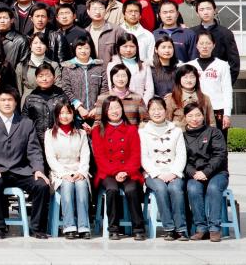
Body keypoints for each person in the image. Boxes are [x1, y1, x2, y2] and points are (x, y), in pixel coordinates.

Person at [0, 90, 51, 239]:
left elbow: (34, 150)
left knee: (42, 185)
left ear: (16, 102)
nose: (7, 103)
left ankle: (37, 228)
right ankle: (0, 227)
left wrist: (38, 169)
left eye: (10, 100)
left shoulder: (26, 123)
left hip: (21, 170)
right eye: (3, 100)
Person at [90, 95, 146, 240]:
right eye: (110, 109)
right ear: (105, 111)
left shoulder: (131, 129)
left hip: (129, 171)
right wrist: (115, 172)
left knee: (131, 189)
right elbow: (100, 158)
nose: (114, 111)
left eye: (117, 107)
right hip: (107, 172)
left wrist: (125, 171)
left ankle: (139, 228)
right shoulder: (97, 131)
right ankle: (113, 228)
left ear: (122, 109)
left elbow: (136, 155)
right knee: (112, 189)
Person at [139, 98, 188, 241]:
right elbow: (144, 157)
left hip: (174, 172)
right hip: (153, 174)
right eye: (153, 109)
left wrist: (174, 172)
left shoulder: (176, 131)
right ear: (148, 112)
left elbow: (181, 155)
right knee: (160, 189)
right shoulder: (143, 132)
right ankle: (169, 228)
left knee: (175, 189)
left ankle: (181, 229)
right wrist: (157, 174)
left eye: (159, 109)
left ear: (165, 111)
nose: (157, 112)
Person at [182, 103, 229, 242]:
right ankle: (201, 228)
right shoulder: (182, 136)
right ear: (185, 117)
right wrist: (193, 173)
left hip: (217, 173)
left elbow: (220, 155)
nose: (194, 119)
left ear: (203, 116)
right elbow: (182, 159)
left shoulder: (214, 132)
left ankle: (214, 228)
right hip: (195, 174)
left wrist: (206, 172)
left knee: (213, 188)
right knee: (192, 188)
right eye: (190, 115)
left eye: (198, 115)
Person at [44, 101, 91, 239]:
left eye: (68, 112)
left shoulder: (81, 133)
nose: (65, 116)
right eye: (61, 113)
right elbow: (50, 158)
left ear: (73, 114)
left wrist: (81, 172)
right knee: (67, 185)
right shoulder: (49, 134)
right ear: (57, 115)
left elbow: (85, 155)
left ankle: (83, 226)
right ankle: (69, 226)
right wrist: (64, 174)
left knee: (81, 185)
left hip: (78, 170)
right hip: (59, 173)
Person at [186, 32, 233, 134]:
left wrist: (227, 114)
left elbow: (227, 90)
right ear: (196, 45)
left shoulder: (222, 65)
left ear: (214, 45)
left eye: (208, 43)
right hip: (195, 110)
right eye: (201, 43)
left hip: (217, 108)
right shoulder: (190, 66)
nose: (204, 46)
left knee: (218, 140)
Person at [59, 37, 107, 127]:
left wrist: (98, 107)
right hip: (75, 115)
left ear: (91, 49)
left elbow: (104, 88)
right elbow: (66, 89)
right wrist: (79, 108)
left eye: (86, 48)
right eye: (80, 48)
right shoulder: (68, 67)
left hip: (97, 114)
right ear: (75, 49)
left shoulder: (99, 66)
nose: (83, 51)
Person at [191, 0, 240, 84]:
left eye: (208, 9)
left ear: (215, 10)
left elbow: (234, 63)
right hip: (194, 82)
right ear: (197, 13)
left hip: (217, 81)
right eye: (201, 9)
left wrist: (226, 84)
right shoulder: (191, 33)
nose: (205, 12)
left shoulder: (225, 33)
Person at [22, 62, 69, 148]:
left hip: (58, 139)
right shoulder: (30, 98)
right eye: (41, 76)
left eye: (48, 75)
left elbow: (69, 118)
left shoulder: (62, 97)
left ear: (54, 77)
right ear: (36, 79)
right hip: (36, 142)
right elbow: (24, 122)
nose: (44, 79)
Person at [164, 65, 217, 129]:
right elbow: (166, 121)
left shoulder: (205, 98)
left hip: (201, 134)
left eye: (192, 77)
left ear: (197, 79)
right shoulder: (171, 98)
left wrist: (212, 133)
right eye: (185, 77)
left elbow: (211, 122)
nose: (189, 80)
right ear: (179, 79)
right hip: (179, 134)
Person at [108, 33, 155, 104]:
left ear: (137, 48)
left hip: (140, 104)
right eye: (125, 46)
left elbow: (149, 89)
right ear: (118, 47)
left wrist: (143, 104)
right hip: (118, 105)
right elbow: (111, 87)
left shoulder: (144, 65)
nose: (128, 50)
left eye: (132, 46)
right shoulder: (112, 64)